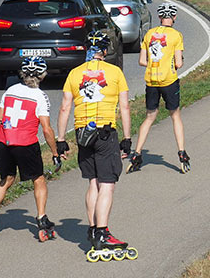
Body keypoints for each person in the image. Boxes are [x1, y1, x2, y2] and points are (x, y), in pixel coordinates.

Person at [56, 30, 134, 259]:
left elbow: (64, 107)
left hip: (83, 133)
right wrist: (127, 139)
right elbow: (125, 108)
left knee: (93, 182)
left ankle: (92, 228)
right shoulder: (115, 72)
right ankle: (102, 232)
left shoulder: (74, 74)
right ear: (104, 50)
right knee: (107, 183)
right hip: (105, 133)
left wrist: (61, 140)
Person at [0, 57, 60, 242]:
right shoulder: (40, 97)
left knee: (6, 179)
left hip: (5, 141)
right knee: (38, 179)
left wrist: (4, 138)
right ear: (42, 76)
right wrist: (55, 153)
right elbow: (46, 128)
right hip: (26, 143)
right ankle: (41, 219)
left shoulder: (10, 91)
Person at [130, 3, 190, 174]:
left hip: (151, 80)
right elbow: (178, 63)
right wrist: (175, 63)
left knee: (149, 117)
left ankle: (137, 153)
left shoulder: (149, 34)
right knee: (175, 115)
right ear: (174, 17)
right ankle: (181, 153)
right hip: (168, 80)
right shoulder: (176, 35)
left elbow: (142, 61)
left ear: (159, 18)